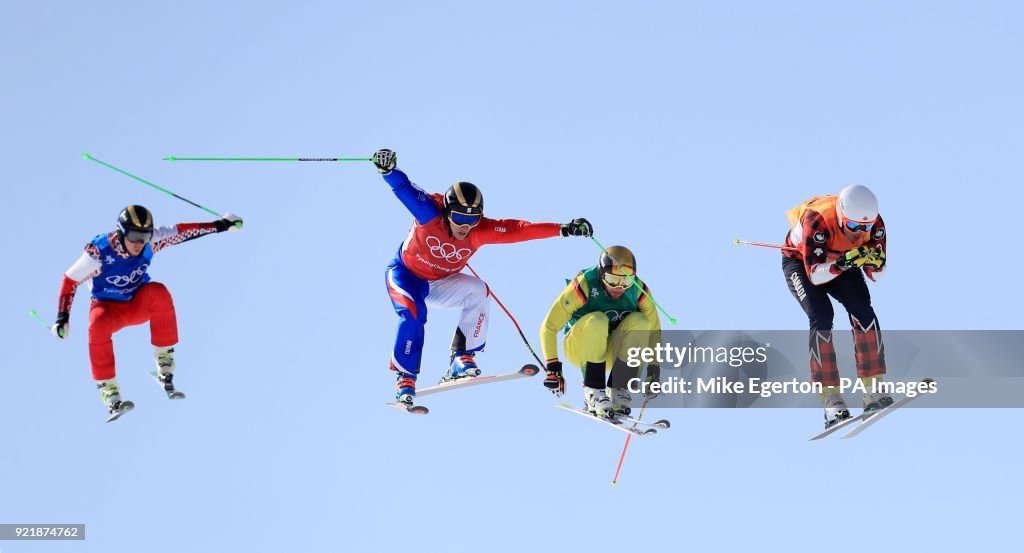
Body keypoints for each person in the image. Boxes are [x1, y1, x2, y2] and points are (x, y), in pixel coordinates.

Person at [372, 149, 593, 406]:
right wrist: (387, 169)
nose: (465, 225)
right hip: (406, 276)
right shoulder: (428, 213)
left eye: (473, 218)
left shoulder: (480, 231)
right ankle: (405, 378)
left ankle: (461, 357)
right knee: (413, 315)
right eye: (459, 218)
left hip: (441, 282)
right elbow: (403, 188)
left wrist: (564, 229)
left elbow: (520, 230)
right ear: (446, 212)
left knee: (478, 290)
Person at [51, 205, 243, 420]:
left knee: (158, 292)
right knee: (97, 323)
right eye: (133, 236)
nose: (139, 243)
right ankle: (109, 390)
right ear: (121, 232)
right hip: (109, 308)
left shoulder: (151, 242)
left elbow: (183, 232)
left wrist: (221, 225)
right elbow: (70, 280)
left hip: (137, 303)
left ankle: (164, 360)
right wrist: (62, 317)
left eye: (144, 236)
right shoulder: (99, 253)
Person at [782, 184, 890, 428]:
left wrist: (873, 263)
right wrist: (844, 263)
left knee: (863, 311)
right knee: (822, 316)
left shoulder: (875, 224)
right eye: (853, 226)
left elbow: (877, 275)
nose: (858, 232)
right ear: (841, 216)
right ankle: (831, 398)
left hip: (843, 260)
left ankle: (873, 388)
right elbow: (815, 276)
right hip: (802, 263)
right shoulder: (818, 219)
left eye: (865, 227)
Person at [539, 246, 661, 418]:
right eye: (611, 280)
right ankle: (593, 391)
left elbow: (654, 332)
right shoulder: (585, 284)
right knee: (598, 320)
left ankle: (620, 388)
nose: (619, 287)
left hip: (611, 353)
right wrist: (553, 367)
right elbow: (549, 326)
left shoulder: (638, 290)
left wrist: (654, 370)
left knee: (641, 322)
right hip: (579, 347)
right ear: (601, 274)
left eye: (625, 281)